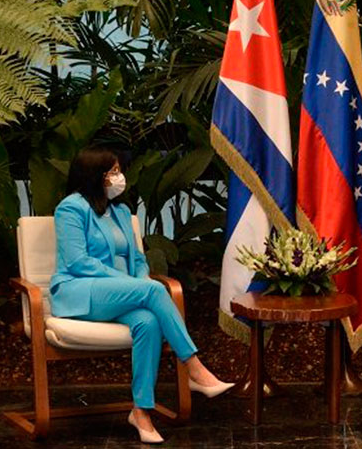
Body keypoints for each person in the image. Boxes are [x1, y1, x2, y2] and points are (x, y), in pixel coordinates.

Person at [50, 147, 233, 444]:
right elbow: (77, 262)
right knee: (152, 288)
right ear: (93, 176)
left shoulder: (121, 212)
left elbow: (137, 259)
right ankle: (194, 367)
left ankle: (141, 411)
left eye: (118, 170)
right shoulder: (71, 208)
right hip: (79, 291)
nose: (118, 177)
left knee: (147, 322)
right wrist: (131, 284)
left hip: (119, 292)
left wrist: (135, 280)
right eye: (111, 172)